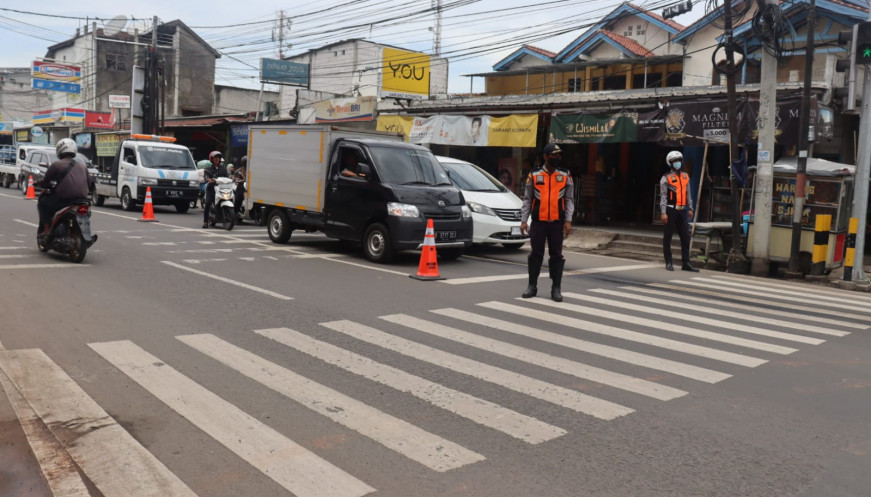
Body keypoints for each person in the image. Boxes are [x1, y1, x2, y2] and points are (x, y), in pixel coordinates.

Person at [519, 143, 574, 302]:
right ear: (545, 156)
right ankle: (532, 286)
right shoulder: (534, 174)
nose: (557, 158)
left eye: (559, 155)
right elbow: (527, 199)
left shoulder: (565, 174)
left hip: (557, 223)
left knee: (556, 255)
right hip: (538, 223)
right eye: (554, 155)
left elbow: (569, 199)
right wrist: (524, 221)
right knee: (536, 254)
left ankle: (556, 288)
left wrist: (568, 220)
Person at [36, 138, 90, 236]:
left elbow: (46, 181)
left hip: (63, 201)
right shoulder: (82, 166)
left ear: (59, 150)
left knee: (43, 202)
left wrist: (38, 183)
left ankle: (47, 229)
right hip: (82, 200)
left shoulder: (56, 165)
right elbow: (89, 183)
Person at [659, 150, 699, 272]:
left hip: (683, 211)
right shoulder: (666, 178)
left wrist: (690, 207)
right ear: (670, 163)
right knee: (668, 237)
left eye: (679, 161)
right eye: (675, 161)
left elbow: (688, 194)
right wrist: (663, 212)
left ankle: (686, 263)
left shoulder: (685, 176)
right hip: (670, 210)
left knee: (685, 237)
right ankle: (669, 262)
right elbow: (663, 196)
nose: (678, 163)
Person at [202, 151, 228, 228]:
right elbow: (206, 176)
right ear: (211, 159)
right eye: (215, 158)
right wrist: (208, 179)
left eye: (218, 158)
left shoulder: (223, 169)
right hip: (211, 189)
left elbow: (227, 177)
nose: (217, 159)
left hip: (221, 189)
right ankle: (205, 221)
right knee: (208, 203)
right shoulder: (208, 169)